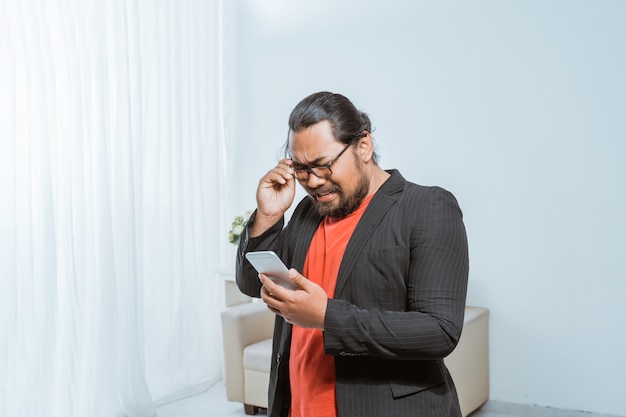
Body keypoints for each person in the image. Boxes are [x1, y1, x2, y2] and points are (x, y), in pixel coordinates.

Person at [235, 91, 469, 417]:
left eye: (323, 165)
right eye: (301, 169)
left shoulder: (427, 207)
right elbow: (251, 283)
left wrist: (326, 317)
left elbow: (439, 331)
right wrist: (268, 217)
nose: (313, 182)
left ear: (363, 146)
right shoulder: (307, 212)